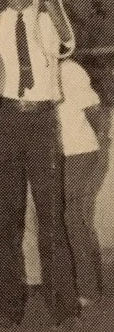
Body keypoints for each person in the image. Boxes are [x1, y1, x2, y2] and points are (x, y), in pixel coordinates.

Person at [0, 0, 79, 331]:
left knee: (51, 216)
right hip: (3, 119)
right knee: (4, 219)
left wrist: (50, 0)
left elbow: (70, 42)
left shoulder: (47, 21)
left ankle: (64, 307)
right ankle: (6, 307)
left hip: (42, 122)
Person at [59, 57, 105, 306]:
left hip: (80, 152)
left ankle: (87, 289)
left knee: (69, 215)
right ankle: (79, 285)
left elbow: (94, 110)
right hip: (62, 155)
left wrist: (92, 140)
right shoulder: (43, 70)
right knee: (67, 216)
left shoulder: (70, 69)